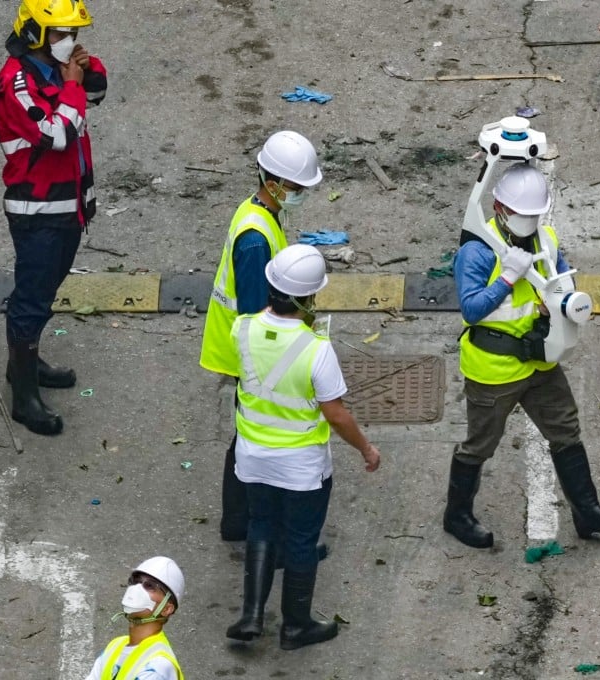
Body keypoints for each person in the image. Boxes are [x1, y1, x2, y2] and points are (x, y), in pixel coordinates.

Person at [446, 163, 600, 549]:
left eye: (534, 215)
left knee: (566, 431)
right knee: (480, 445)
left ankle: (587, 511)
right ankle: (457, 515)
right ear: (498, 207)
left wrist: (562, 303)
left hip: (541, 361)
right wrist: (506, 279)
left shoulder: (546, 239)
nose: (528, 221)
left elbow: (564, 281)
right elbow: (471, 309)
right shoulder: (478, 252)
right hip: (493, 370)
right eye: (521, 214)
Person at [224, 244, 381, 650]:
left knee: (261, 525)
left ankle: (252, 615)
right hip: (301, 468)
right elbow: (337, 415)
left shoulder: (241, 328)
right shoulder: (316, 349)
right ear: (309, 297)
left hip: (252, 457)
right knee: (299, 540)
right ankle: (295, 626)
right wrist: (366, 449)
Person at [0, 0, 107, 436]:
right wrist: (74, 84)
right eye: (59, 34)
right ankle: (23, 395)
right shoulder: (16, 81)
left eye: (71, 33)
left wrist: (87, 71)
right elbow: (58, 133)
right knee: (31, 298)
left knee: (45, 291)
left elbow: (94, 95)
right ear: (35, 34)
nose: (68, 41)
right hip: (37, 212)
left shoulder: (55, 70)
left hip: (68, 206)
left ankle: (28, 362)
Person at [199, 130, 323, 542]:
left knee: (247, 433)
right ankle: (247, 522)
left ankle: (238, 521)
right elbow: (255, 312)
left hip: (240, 345)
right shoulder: (255, 240)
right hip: (249, 353)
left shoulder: (259, 213)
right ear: (273, 184)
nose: (302, 192)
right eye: (297, 186)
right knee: (255, 436)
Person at [85, 556, 185, 680]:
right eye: (135, 581)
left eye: (150, 586)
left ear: (166, 609)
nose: (136, 589)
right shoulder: (115, 646)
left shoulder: (158, 668)